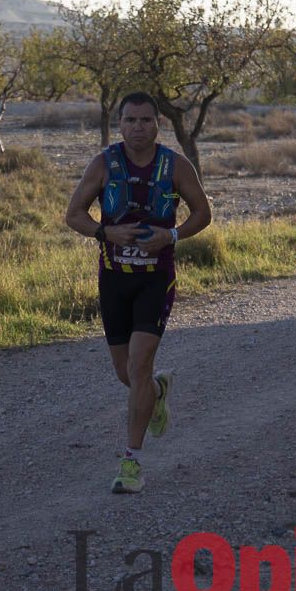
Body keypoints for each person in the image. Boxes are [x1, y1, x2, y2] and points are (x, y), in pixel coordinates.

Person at [65, 92, 212, 493]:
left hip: (155, 279)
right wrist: (106, 231)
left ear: (157, 125)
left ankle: (132, 463)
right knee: (126, 373)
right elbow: (73, 214)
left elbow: (203, 212)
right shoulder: (104, 164)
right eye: (131, 120)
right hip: (113, 278)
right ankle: (157, 392)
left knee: (139, 364)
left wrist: (172, 235)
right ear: (120, 124)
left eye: (146, 120)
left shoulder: (174, 165)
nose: (138, 127)